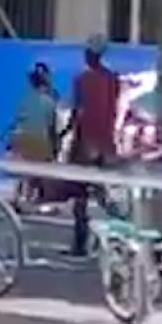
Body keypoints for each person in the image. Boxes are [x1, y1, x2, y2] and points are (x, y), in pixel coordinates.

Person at [67, 35, 121, 257]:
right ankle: (119, 233)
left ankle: (80, 243)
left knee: (80, 195)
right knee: (104, 192)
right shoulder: (112, 79)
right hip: (106, 143)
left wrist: (67, 134)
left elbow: (77, 112)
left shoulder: (82, 80)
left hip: (86, 142)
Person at [10, 63, 60, 208]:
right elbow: (52, 126)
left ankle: (18, 198)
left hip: (23, 139)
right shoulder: (49, 102)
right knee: (36, 172)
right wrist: (54, 146)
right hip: (39, 140)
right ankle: (31, 200)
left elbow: (19, 121)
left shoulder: (25, 100)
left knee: (24, 172)